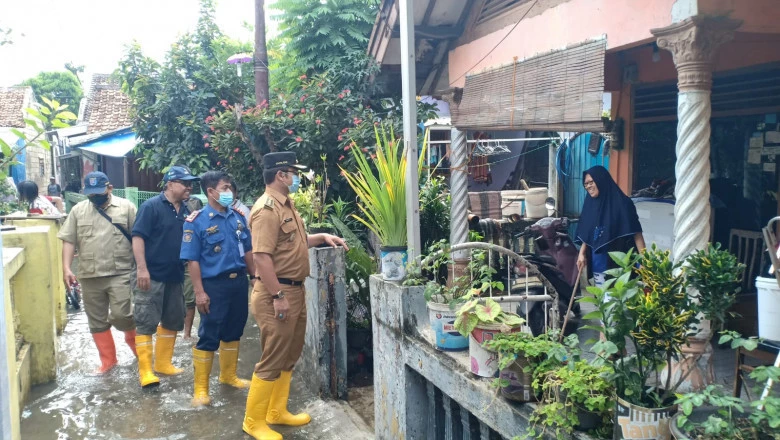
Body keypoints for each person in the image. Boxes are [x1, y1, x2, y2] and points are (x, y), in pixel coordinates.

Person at [242, 152, 347, 440]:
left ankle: (277, 412)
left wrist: (322, 236)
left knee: (290, 354)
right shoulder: (266, 209)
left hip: (294, 290)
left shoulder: (286, 205)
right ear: (280, 175)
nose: (297, 178)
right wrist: (277, 295)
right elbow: (262, 257)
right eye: (292, 172)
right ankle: (253, 421)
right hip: (277, 292)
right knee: (273, 356)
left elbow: (291, 243)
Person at [180, 170, 256, 407]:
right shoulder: (197, 221)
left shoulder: (238, 217)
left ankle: (228, 376)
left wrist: (255, 278)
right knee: (209, 333)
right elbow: (192, 261)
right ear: (211, 192)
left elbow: (249, 250)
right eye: (224, 188)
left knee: (235, 328)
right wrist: (200, 292)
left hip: (238, 282)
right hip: (213, 284)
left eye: (230, 187)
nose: (229, 191)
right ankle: (201, 389)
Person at [57, 172, 137, 374]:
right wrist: (66, 268)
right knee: (96, 320)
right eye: (90, 194)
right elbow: (69, 240)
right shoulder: (78, 211)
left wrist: (143, 267)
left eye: (99, 193)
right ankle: (108, 361)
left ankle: (140, 352)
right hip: (90, 274)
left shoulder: (126, 207)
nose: (95, 197)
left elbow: (138, 238)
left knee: (122, 315)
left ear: (109, 188)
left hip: (120, 271)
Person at [131, 165, 200, 388]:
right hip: (151, 274)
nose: (189, 187)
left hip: (175, 274)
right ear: (170, 184)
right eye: (184, 183)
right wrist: (142, 268)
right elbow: (138, 237)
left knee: (173, 318)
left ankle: (163, 363)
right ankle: (146, 372)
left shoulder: (187, 211)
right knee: (145, 321)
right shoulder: (151, 207)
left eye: (190, 183)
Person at [575, 165, 646, 289]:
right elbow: (589, 232)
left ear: (601, 180)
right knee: (603, 298)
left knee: (619, 298)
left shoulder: (623, 204)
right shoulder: (590, 205)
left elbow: (636, 233)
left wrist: (645, 260)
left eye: (591, 182)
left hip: (620, 260)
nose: (588, 186)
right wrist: (581, 254)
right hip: (598, 260)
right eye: (585, 184)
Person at [182, 195, 204, 340]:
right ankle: (187, 335)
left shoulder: (195, 203)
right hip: (186, 262)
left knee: (197, 300)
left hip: (200, 261)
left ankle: (194, 334)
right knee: (189, 301)